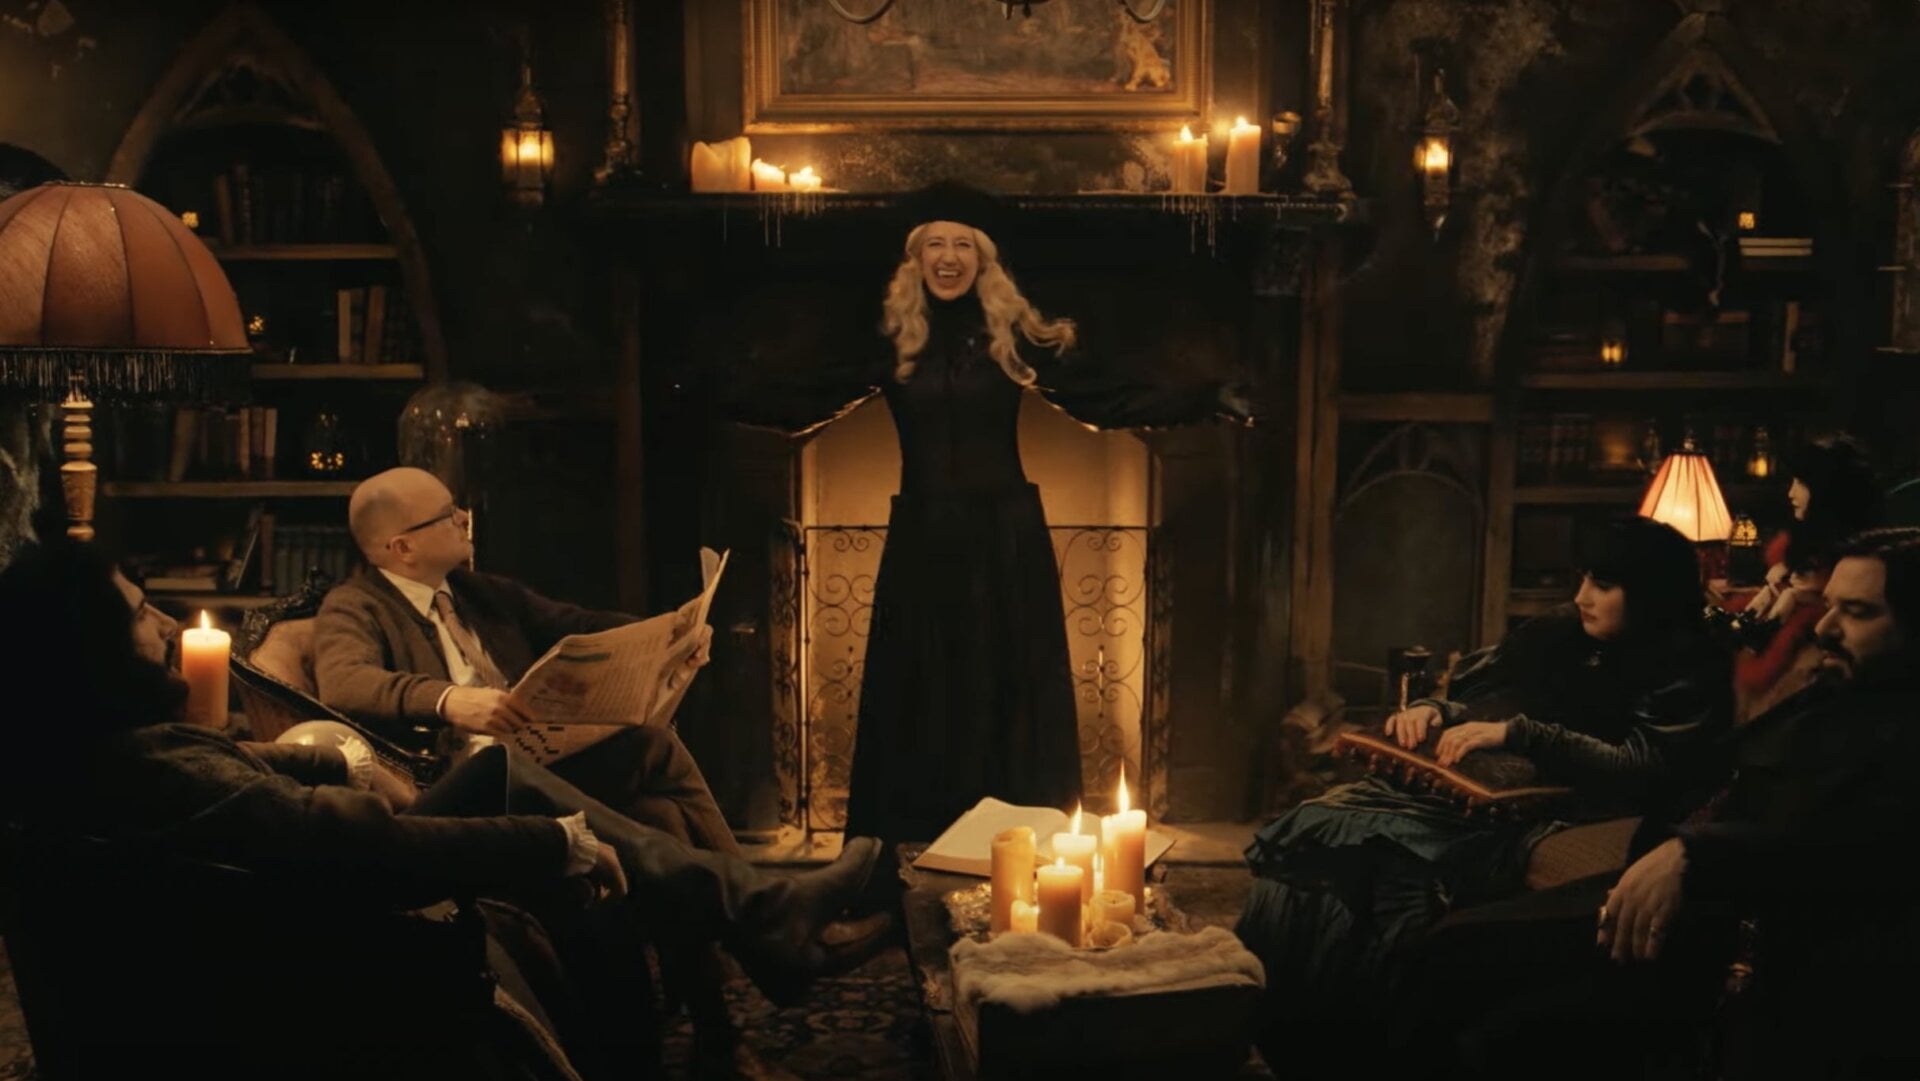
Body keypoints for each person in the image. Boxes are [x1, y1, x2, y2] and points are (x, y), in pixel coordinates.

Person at [0, 539, 886, 1079]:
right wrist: (552, 842)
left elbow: (248, 779)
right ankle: (762, 922)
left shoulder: (97, 757)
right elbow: (349, 806)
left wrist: (672, 636)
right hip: (342, 916)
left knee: (636, 770)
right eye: (140, 612)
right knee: (561, 811)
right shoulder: (344, 615)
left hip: (352, 846)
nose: (163, 625)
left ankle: (760, 914)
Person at [714, 181, 1251, 855]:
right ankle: (916, 845)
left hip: (1006, 537)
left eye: (963, 245)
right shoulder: (892, 339)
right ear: (916, 259)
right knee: (924, 693)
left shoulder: (1012, 334)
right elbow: (806, 396)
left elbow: (1103, 398)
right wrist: (717, 393)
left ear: (983, 257)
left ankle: (1015, 846)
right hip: (922, 536)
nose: (948, 257)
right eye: (935, 244)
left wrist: (1207, 397)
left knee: (1005, 696)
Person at [313, 465, 843, 1080]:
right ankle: (760, 939)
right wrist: (448, 699)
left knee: (660, 806)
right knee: (656, 773)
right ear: (400, 547)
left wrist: (675, 635)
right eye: (447, 515)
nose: (464, 520)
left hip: (542, 763)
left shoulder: (478, 592)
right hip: (465, 788)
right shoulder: (354, 605)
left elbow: (584, 625)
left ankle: (734, 1000)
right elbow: (345, 681)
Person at [1400, 527, 1920, 1080]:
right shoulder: (1840, 687)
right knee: (1449, 947)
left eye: (1858, 612)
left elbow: (1853, 846)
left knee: (1489, 1004)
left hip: (1729, 919)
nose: (1824, 627)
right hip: (1673, 865)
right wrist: (1446, 710)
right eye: (1830, 605)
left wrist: (1693, 852)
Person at [1234, 515, 1731, 1072]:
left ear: (1649, 593)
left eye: (1603, 585)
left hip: (1570, 806)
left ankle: (1372, 1056)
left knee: (1388, 871)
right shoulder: (1563, 631)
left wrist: (1522, 734)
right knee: (1319, 830)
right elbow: (1494, 698)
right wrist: (1434, 712)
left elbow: (1638, 766)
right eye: (1583, 578)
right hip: (1500, 787)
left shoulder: (1686, 664)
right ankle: (1287, 1036)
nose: (1581, 597)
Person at [1724, 433, 1881, 722]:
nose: (1791, 493)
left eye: (1802, 483)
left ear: (1827, 491)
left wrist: (1795, 598)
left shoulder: (1857, 560)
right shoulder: (1801, 544)